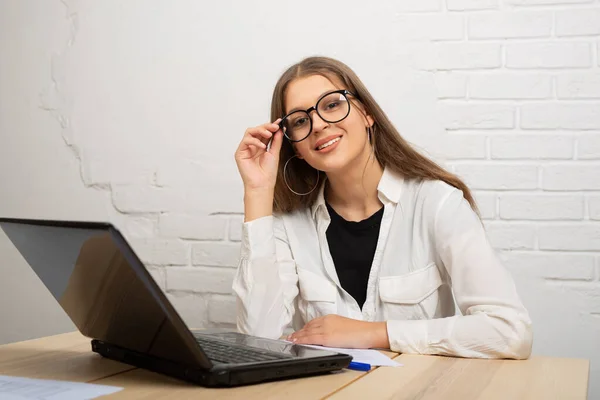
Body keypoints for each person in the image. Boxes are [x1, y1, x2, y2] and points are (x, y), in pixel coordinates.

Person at [232, 56, 533, 359]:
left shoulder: (437, 203)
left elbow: (510, 331)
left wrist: (375, 333)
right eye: (299, 120)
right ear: (294, 146)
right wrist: (257, 192)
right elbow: (259, 343)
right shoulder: (289, 224)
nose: (319, 124)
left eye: (332, 105)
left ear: (366, 113)